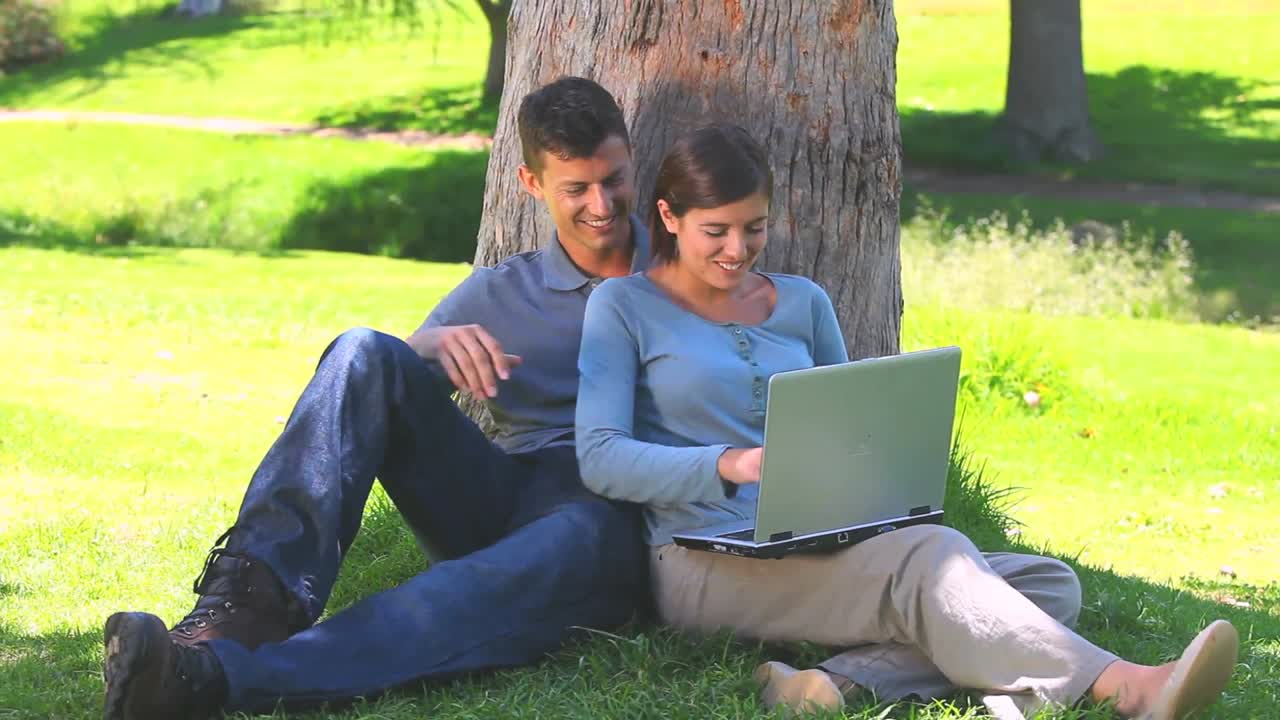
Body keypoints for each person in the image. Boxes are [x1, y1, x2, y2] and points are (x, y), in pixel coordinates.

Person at [573, 123, 1238, 719]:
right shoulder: (624, 307)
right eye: (715, 231)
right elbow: (599, 456)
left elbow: (849, 415)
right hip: (701, 560)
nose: (737, 248)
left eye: (754, 227)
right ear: (668, 215)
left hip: (812, 539)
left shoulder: (802, 302)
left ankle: (831, 686)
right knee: (937, 563)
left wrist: (875, 487)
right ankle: (1128, 690)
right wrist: (731, 464)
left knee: (1042, 584)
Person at [101, 76, 651, 720]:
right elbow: (380, 383)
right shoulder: (502, 290)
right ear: (531, 184)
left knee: (485, 580)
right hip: (502, 493)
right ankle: (243, 607)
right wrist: (427, 349)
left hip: (604, 514)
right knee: (364, 347)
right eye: (575, 189)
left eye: (612, 179)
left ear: (630, 159)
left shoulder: (689, 272)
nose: (602, 205)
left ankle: (208, 680)